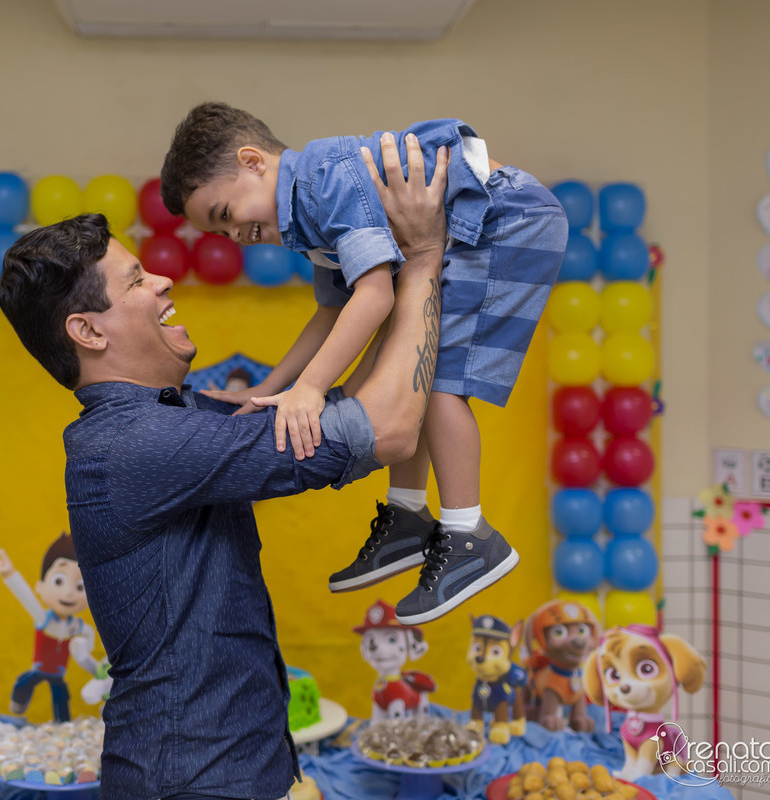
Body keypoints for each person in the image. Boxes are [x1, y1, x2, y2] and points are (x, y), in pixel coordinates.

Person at [0, 134, 446, 800]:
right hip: (193, 782)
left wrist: (378, 284)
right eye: (136, 281)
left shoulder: (184, 417)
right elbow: (389, 427)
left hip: (235, 772)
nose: (163, 281)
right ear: (89, 332)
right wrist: (425, 258)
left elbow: (354, 406)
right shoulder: (139, 443)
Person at [160, 102, 568, 625]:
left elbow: (375, 296)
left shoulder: (323, 183)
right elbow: (332, 312)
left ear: (253, 162)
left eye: (225, 215)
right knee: (413, 368)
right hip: (470, 233)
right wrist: (271, 386)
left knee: (438, 382)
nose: (234, 236)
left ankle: (470, 534)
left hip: (506, 219)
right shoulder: (306, 221)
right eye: (220, 233)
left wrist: (311, 388)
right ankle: (408, 513)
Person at [0, 535, 103, 721]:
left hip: (58, 673)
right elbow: (27, 599)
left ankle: (63, 723)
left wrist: (85, 647)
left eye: (80, 586)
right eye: (59, 581)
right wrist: (9, 574)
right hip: (39, 668)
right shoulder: (44, 619)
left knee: (61, 695)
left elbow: (88, 637)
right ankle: (18, 704)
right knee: (23, 682)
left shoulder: (76, 626)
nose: (68, 593)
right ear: (40, 587)